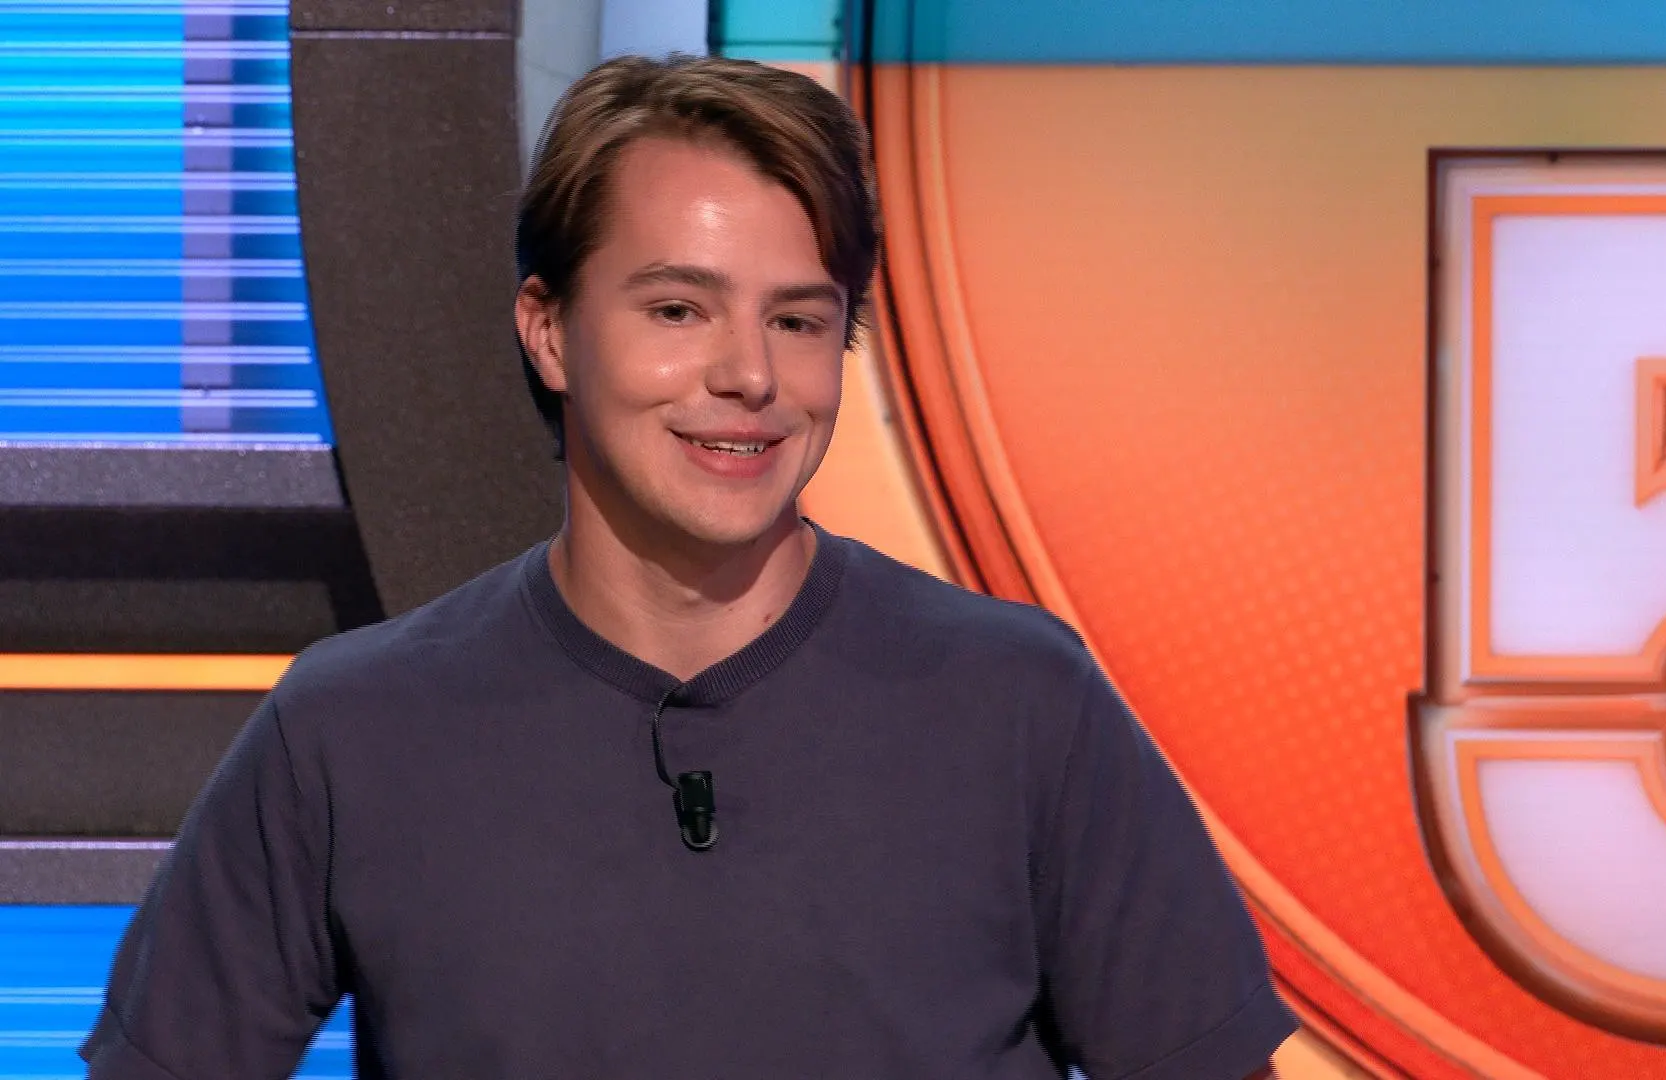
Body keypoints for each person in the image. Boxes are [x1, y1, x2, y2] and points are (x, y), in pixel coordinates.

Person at [79, 55, 1297, 1079]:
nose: (748, 377)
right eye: (678, 310)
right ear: (548, 330)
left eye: (796, 320)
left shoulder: (1020, 703)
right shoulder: (350, 728)